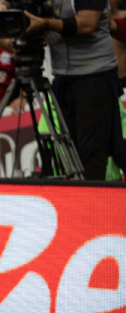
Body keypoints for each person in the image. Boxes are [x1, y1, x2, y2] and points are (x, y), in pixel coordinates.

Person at [26, 0, 124, 180]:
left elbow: (87, 24)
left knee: (91, 158)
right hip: (63, 79)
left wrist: (45, 23)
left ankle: (93, 205)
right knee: (73, 157)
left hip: (92, 79)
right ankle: (77, 204)